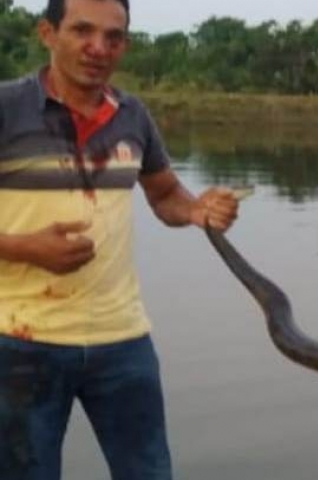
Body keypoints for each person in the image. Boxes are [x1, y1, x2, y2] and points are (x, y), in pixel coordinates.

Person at [0, 0, 239, 478]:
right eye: (82, 31)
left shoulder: (132, 115)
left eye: (113, 37)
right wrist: (27, 248)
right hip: (20, 342)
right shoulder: (6, 107)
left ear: (125, 44)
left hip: (123, 340)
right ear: (47, 33)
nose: (98, 48)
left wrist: (197, 209)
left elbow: (166, 194)